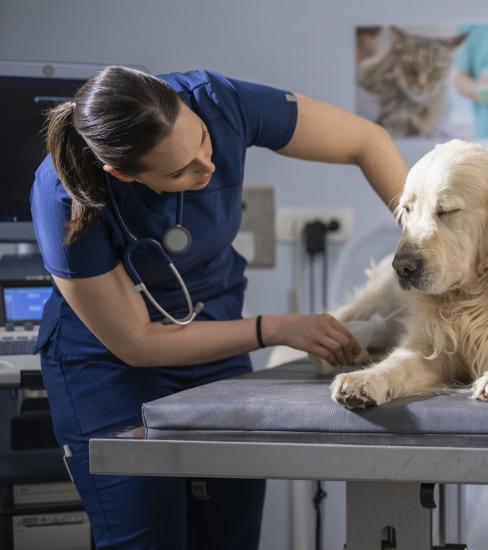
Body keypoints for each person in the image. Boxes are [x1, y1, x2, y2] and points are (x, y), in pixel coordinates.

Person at [30, 66, 407, 549]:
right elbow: (136, 343)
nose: (208, 168)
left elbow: (367, 141)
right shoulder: (63, 196)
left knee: (230, 535)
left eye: (203, 141)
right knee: (148, 538)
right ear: (123, 173)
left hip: (217, 341)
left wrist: (423, 239)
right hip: (110, 370)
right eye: (179, 171)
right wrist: (273, 329)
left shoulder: (220, 101)